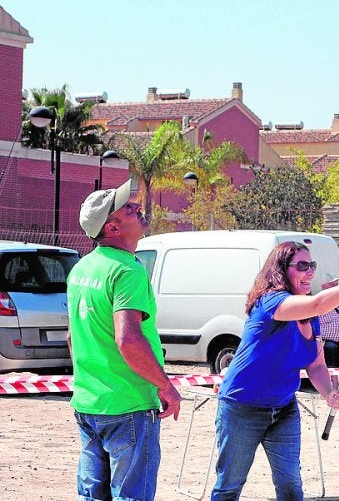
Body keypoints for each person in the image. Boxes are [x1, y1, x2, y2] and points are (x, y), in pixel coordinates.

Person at [211, 242, 339, 500]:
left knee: (291, 487)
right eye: (302, 266)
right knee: (229, 486)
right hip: (242, 407)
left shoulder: (311, 316)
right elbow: (319, 304)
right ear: (282, 270)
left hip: (284, 408)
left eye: (312, 266)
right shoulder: (270, 302)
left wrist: (328, 392)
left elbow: (316, 364)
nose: (310, 272)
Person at [66, 180, 182, 501]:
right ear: (113, 226)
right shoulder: (127, 270)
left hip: (89, 405)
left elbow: (72, 337)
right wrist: (165, 385)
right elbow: (128, 339)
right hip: (128, 405)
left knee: (92, 496)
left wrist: (92, 380)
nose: (137, 208)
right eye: (128, 208)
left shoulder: (82, 268)